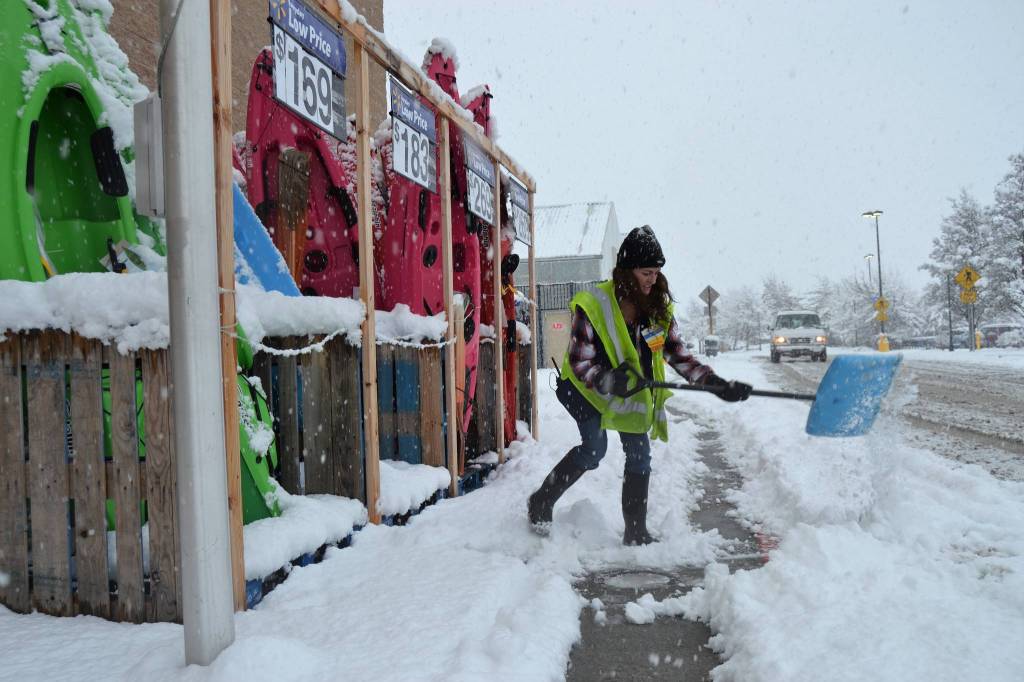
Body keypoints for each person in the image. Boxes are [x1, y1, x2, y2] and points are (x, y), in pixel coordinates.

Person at [527, 225, 753, 545]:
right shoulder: (595, 305)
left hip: (628, 392)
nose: (652, 279)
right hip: (584, 389)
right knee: (594, 450)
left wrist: (715, 383)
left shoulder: (657, 309)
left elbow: (676, 353)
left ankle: (636, 532)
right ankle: (541, 500)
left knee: (639, 455)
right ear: (626, 271)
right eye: (646, 272)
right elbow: (579, 362)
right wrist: (605, 379)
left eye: (656, 273)